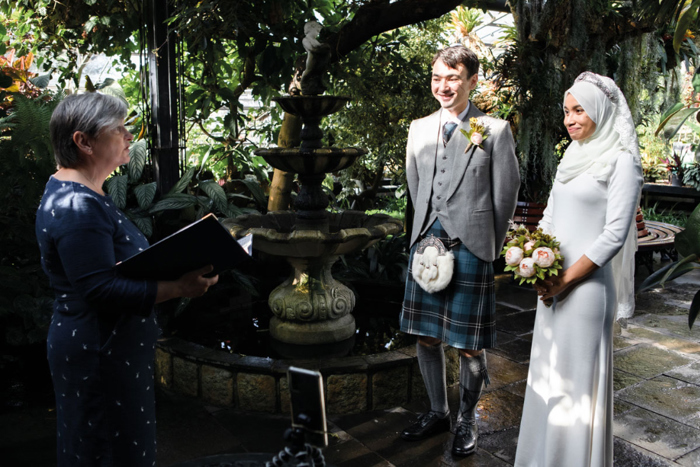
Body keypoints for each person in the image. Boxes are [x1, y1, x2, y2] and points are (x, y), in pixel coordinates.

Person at [36, 92, 219, 466]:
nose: (128, 137)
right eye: (118, 129)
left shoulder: (81, 191)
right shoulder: (78, 206)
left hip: (106, 347)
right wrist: (180, 288)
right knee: (108, 451)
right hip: (99, 353)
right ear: (83, 142)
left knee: (103, 446)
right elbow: (100, 289)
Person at [514, 72, 643, 466]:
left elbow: (614, 234)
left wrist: (565, 281)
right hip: (551, 285)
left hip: (586, 292)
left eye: (578, 110)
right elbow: (550, 217)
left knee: (578, 387)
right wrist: (535, 262)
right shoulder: (572, 156)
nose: (570, 119)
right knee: (547, 378)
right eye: (566, 111)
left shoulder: (623, 162)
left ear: (600, 111)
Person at [399, 45, 520, 456]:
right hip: (426, 246)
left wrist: (486, 242)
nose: (443, 85)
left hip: (471, 247)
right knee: (426, 337)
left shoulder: (493, 129)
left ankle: (467, 419)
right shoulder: (418, 128)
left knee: (469, 344)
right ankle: (438, 412)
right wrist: (421, 233)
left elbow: (506, 194)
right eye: (437, 77)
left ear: (471, 81)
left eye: (452, 77)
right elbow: (416, 187)